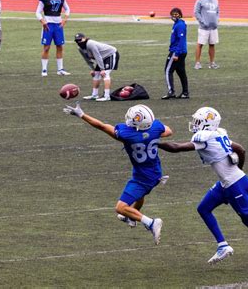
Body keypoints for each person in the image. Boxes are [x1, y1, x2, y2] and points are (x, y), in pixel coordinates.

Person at [158, 107, 248, 266]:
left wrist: (155, 143)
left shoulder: (205, 137)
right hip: (228, 183)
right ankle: (223, 245)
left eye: (198, 122)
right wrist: (239, 169)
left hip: (234, 185)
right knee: (203, 208)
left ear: (207, 124)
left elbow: (176, 148)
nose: (195, 124)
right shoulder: (218, 133)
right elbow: (240, 149)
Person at [63, 103, 173, 245]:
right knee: (140, 196)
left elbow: (102, 126)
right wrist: (150, 135)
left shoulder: (127, 135)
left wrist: (81, 115)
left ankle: (151, 223)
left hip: (143, 177)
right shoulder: (156, 127)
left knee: (120, 208)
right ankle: (132, 217)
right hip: (155, 172)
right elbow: (168, 131)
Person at [36, 0, 70, 77]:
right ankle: (44, 69)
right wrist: (42, 21)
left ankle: (60, 69)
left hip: (58, 24)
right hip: (48, 24)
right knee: (46, 47)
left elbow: (67, 8)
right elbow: (38, 11)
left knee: (60, 46)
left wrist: (65, 19)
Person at [74, 33, 119, 102]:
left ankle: (107, 96)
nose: (79, 42)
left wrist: (102, 69)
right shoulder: (80, 48)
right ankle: (94, 95)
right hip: (102, 58)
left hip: (110, 54)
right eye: (77, 40)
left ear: (84, 38)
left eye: (80, 40)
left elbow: (97, 56)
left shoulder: (90, 44)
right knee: (96, 75)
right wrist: (92, 69)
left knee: (105, 74)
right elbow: (87, 60)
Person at [162, 7, 189, 99]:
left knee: (168, 70)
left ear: (180, 15)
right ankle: (185, 93)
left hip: (177, 51)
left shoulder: (179, 25)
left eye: (176, 14)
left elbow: (181, 40)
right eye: (173, 14)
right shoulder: (177, 24)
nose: (174, 16)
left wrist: (176, 54)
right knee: (181, 72)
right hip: (181, 51)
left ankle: (171, 91)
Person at [194, 0, 220, 70]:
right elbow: (196, 12)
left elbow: (217, 12)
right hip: (204, 27)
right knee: (200, 44)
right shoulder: (200, 0)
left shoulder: (216, 0)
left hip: (213, 27)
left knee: (212, 44)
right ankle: (197, 63)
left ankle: (212, 63)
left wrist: (217, 21)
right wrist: (202, 22)